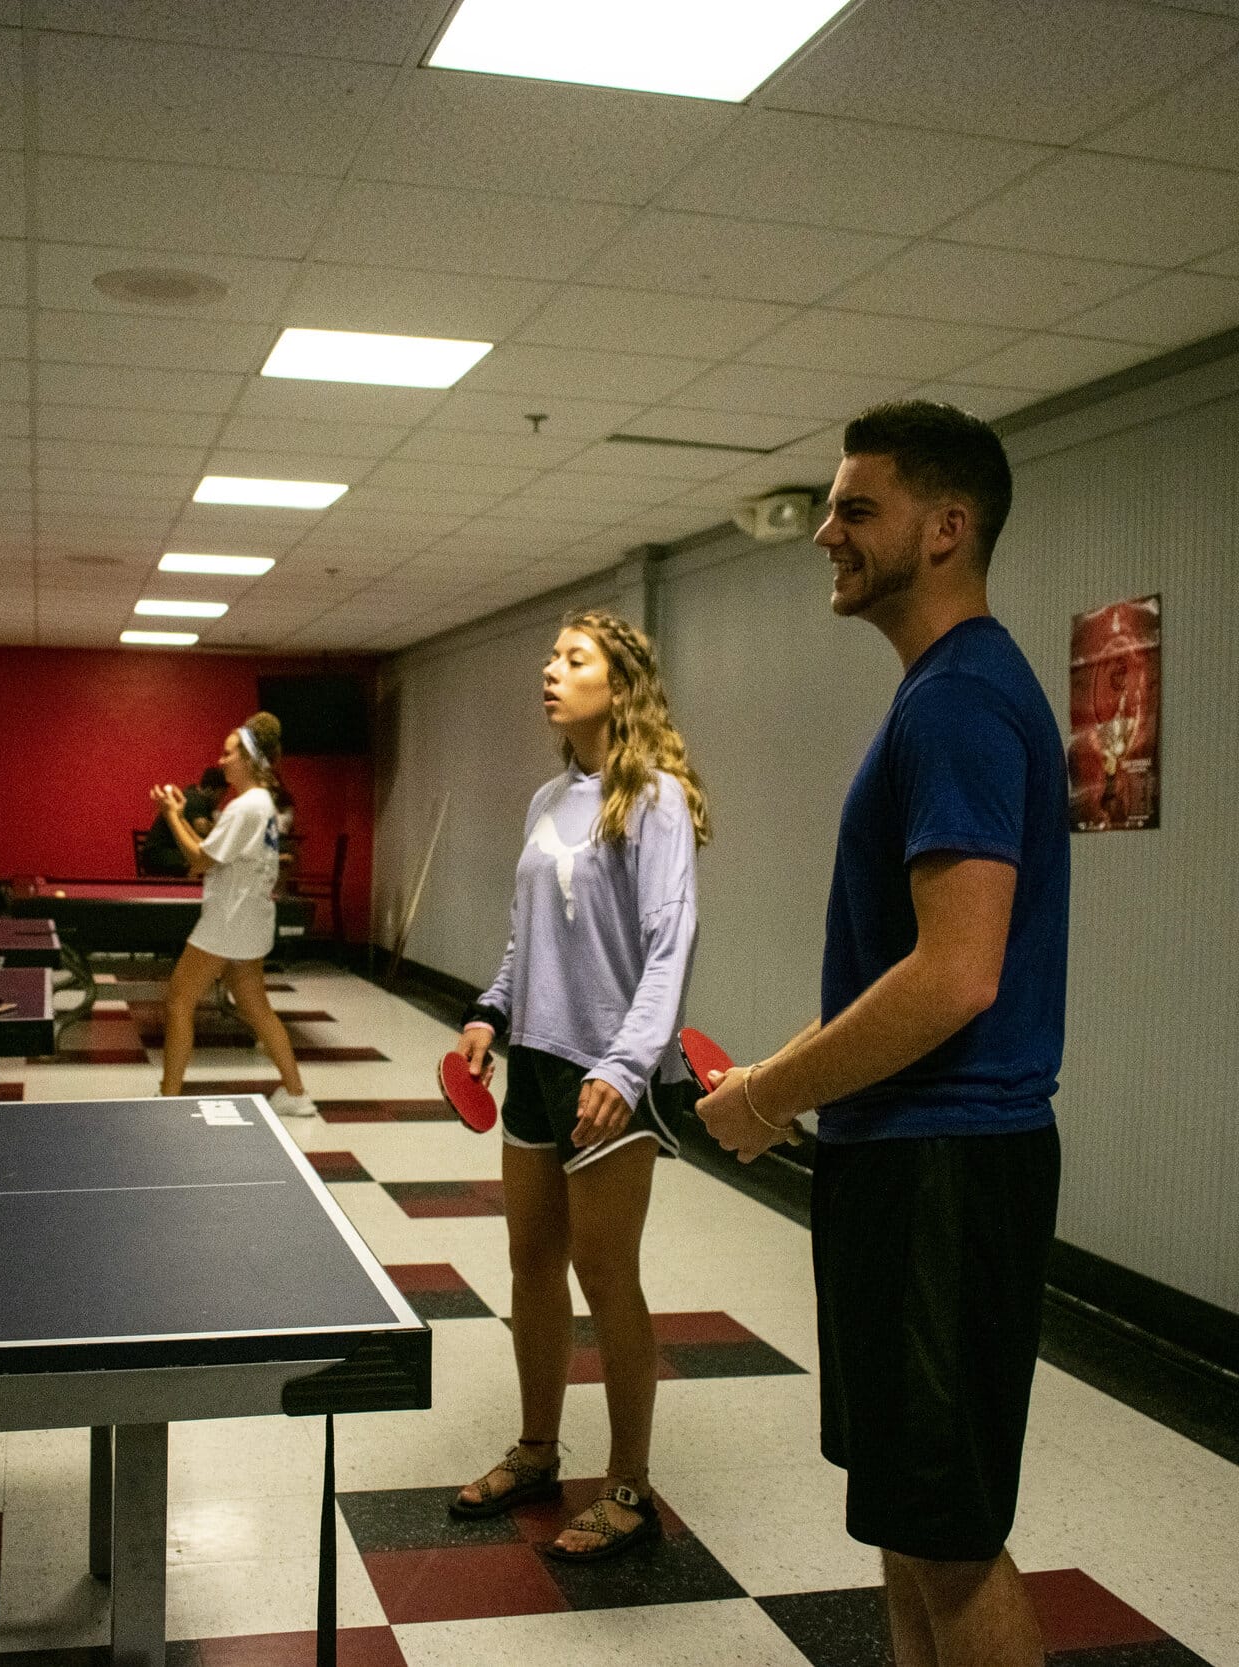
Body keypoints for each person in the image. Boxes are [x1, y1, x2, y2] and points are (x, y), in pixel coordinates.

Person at [697, 401, 1067, 1667]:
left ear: (946, 528)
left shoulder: (958, 702)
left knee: (951, 1540)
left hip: (943, 1170)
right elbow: (905, 968)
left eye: (858, 509)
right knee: (912, 1525)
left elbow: (956, 975)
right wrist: (781, 1079)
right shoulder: (941, 694)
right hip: (905, 1160)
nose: (828, 535)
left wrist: (766, 1095)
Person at [447, 609, 710, 1562]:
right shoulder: (543, 802)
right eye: (551, 655)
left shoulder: (657, 801)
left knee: (610, 1280)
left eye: (573, 657)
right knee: (530, 1266)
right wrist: (490, 1011)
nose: (549, 669)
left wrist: (627, 1065)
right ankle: (537, 1450)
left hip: (612, 1076)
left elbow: (668, 945)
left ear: (621, 681)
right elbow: (528, 941)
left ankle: (631, 1486)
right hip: (537, 1067)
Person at [149, 714, 314, 1119]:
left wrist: (172, 815)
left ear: (250, 759)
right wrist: (184, 820)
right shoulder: (261, 805)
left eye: (228, 754)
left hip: (227, 920)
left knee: (178, 1001)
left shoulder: (246, 807)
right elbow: (207, 857)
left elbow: (198, 862)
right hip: (252, 919)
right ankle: (296, 1094)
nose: (221, 762)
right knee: (256, 1005)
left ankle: (168, 1099)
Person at [142, 766, 225, 877]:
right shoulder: (196, 801)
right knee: (201, 862)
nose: (222, 798)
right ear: (210, 790)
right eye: (222, 793)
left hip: (154, 854)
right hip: (161, 856)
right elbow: (203, 833)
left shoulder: (191, 794)